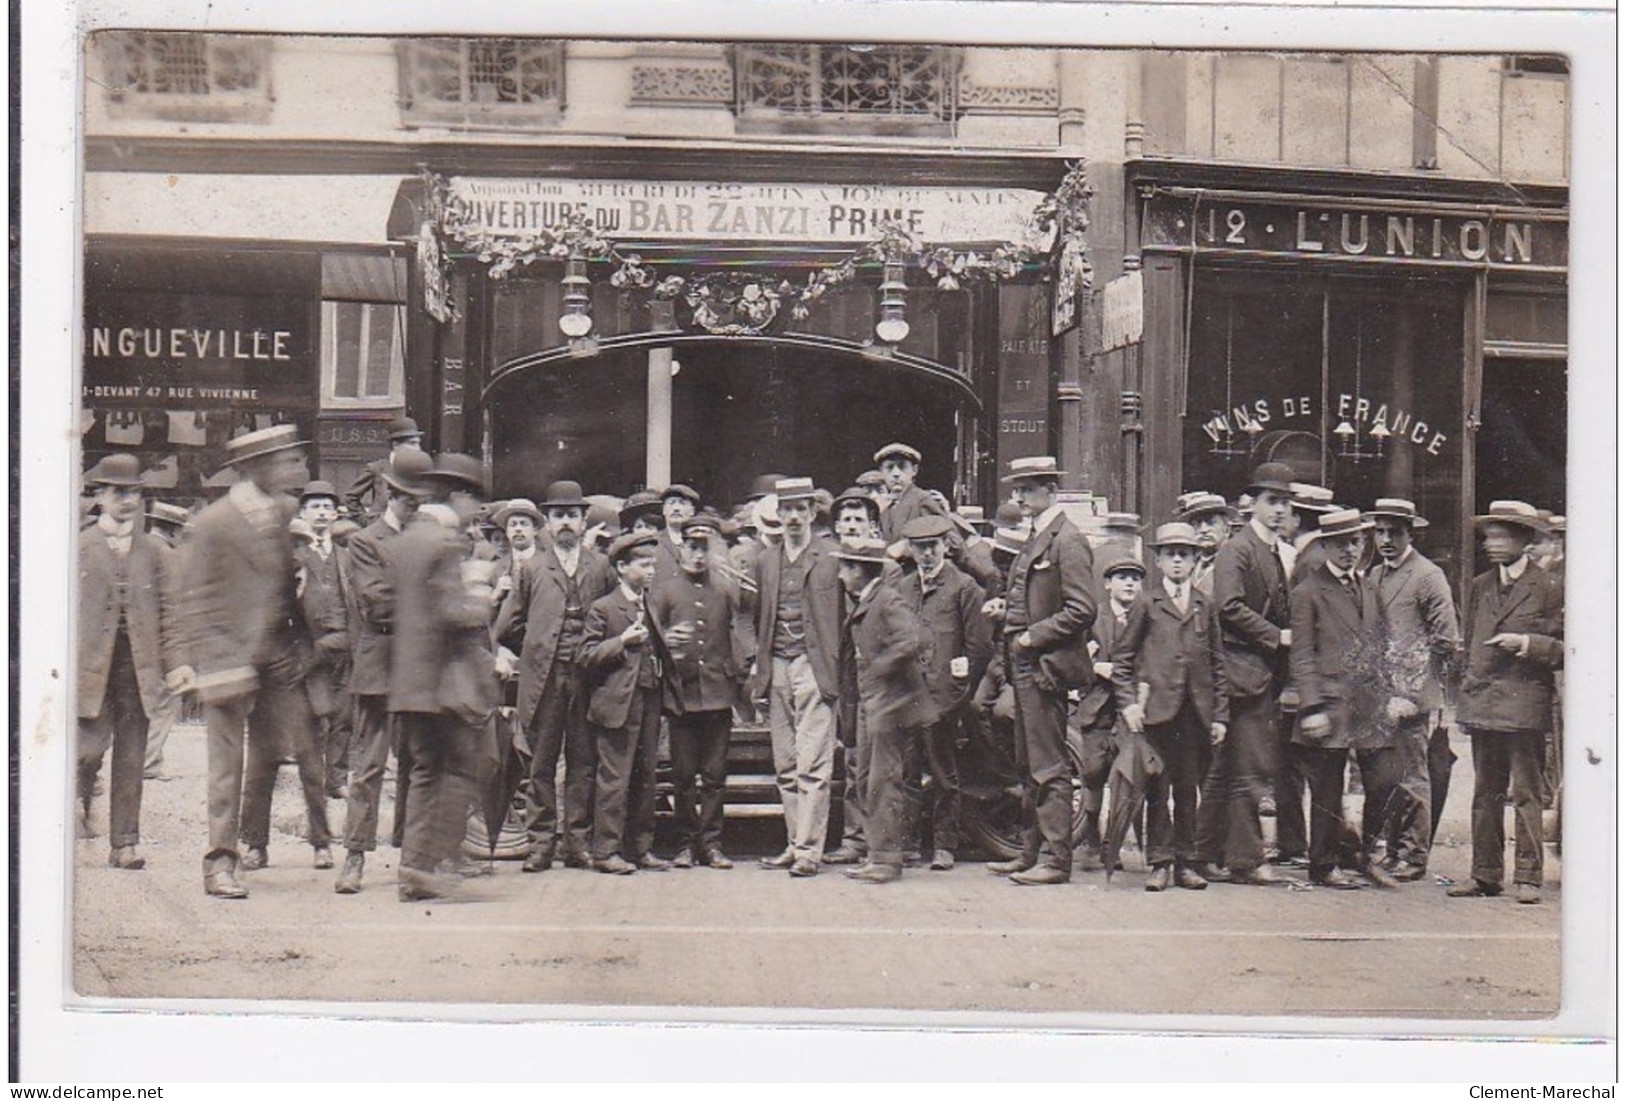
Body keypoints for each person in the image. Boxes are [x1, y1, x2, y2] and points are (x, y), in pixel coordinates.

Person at [182, 425, 314, 900]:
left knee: (274, 754)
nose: (295, 470)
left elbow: (282, 588)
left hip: (273, 660)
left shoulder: (281, 513)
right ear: (256, 468)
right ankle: (220, 862)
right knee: (226, 767)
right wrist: (211, 659)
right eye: (286, 462)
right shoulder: (214, 522)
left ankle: (255, 845)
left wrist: (297, 647)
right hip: (227, 663)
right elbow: (193, 598)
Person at [388, 453, 500, 901]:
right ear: (459, 495)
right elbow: (456, 614)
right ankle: (432, 863)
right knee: (462, 770)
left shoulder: (409, 538)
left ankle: (414, 867)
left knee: (423, 774)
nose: (479, 512)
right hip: (443, 684)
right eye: (477, 501)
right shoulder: (446, 544)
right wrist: (482, 590)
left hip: (409, 683)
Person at [494, 480, 616, 872]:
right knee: (541, 764)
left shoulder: (601, 567)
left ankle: (577, 843)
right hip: (544, 678)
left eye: (573, 516)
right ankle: (540, 845)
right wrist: (536, 645)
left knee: (582, 763)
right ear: (547, 523)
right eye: (559, 516)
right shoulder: (532, 568)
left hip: (587, 677)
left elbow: (613, 617)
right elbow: (509, 624)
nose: (566, 523)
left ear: (584, 522)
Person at [1448, 501, 1563, 905]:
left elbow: (1568, 648)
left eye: (1501, 536)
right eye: (1488, 535)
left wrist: (1528, 644)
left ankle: (1529, 876)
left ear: (1525, 540)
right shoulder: (1480, 586)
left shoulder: (1550, 587)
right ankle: (1485, 874)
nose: (1491, 543)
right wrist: (1468, 697)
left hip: (1525, 704)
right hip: (1484, 704)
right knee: (1485, 792)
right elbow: (1472, 646)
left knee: (1528, 793)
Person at [988, 456, 1096, 886]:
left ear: (1050, 489)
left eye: (1029, 489)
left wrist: (1034, 635)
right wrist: (1007, 612)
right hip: (1023, 665)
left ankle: (1056, 859)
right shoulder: (1039, 537)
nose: (1020, 497)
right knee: (1027, 762)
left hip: (1044, 667)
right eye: (1018, 489)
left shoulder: (1067, 540)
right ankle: (1032, 853)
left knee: (1049, 765)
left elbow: (1083, 609)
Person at [76, 454, 186, 869]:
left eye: (135, 493)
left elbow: (171, 613)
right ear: (100, 496)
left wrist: (177, 664)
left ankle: (125, 844)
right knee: (86, 751)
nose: (128, 501)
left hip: (138, 667)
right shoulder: (79, 547)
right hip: (90, 665)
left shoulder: (156, 552)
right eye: (119, 493)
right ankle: (81, 796)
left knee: (131, 756)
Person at [333, 448, 434, 895]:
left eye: (420, 501)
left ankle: (411, 856)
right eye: (409, 499)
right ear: (391, 495)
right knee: (370, 766)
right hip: (380, 663)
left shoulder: (426, 537)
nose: (415, 507)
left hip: (418, 663)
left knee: (418, 762)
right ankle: (354, 856)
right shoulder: (364, 541)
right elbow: (375, 600)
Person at [1194, 462, 1295, 888]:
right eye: (1271, 501)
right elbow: (1228, 606)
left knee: (1225, 770)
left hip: (1254, 672)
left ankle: (1203, 852)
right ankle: (1246, 859)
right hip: (1241, 671)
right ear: (1252, 503)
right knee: (1250, 768)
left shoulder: (1268, 549)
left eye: (1285, 503)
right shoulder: (1239, 549)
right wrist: (1278, 637)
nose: (1279, 510)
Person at [1113, 524, 1229, 891]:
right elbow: (1123, 661)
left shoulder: (1203, 604)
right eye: (1170, 554)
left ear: (1196, 560)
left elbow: (1218, 663)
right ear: (1159, 560)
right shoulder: (1147, 603)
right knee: (1157, 791)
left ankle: (1185, 861)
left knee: (1187, 789)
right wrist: (1129, 704)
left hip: (1194, 712)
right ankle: (1159, 862)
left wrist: (1220, 714)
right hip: (1157, 712)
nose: (1178, 560)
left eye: (1185, 554)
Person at [1287, 509, 1395, 890]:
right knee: (1327, 787)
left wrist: (1390, 695)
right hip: (1329, 704)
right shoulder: (1308, 592)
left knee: (1384, 779)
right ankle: (1324, 864)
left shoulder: (1369, 587)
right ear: (1326, 547)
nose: (1349, 550)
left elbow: (1382, 644)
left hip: (1368, 705)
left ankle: (1364, 853)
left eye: (1355, 542)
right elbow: (1301, 655)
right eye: (1340, 543)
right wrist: (1312, 707)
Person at [749, 476, 844, 878]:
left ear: (811, 513)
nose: (792, 517)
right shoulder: (766, 561)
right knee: (786, 764)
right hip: (778, 666)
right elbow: (759, 617)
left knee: (813, 764)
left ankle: (809, 851)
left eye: (800, 510)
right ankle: (794, 844)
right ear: (778, 515)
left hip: (814, 664)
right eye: (786, 510)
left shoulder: (831, 557)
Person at [1365, 498, 1461, 880]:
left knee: (1412, 774)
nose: (1386, 539)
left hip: (1411, 697)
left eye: (1395, 532)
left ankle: (1414, 855)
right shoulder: (1373, 575)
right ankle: (1391, 850)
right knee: (1385, 777)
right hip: (1379, 696)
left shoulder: (1427, 575)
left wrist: (1415, 692)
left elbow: (1445, 640)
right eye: (1380, 532)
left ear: (1410, 533)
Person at [649, 512, 750, 870]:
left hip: (718, 694)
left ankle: (712, 844)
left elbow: (742, 625)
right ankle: (686, 843)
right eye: (691, 547)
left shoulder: (724, 589)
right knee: (682, 774)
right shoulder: (664, 591)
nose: (697, 554)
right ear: (681, 550)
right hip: (682, 695)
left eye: (704, 548)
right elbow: (653, 639)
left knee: (714, 775)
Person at [895, 513, 994, 871]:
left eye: (932, 547)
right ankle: (907, 844)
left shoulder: (964, 587)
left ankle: (944, 845)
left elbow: (979, 646)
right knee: (906, 769)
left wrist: (958, 689)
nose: (926, 554)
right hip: (907, 695)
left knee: (942, 771)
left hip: (942, 698)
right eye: (919, 547)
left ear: (946, 547)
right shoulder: (904, 588)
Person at [834, 536, 934, 883]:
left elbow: (916, 638)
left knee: (883, 780)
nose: (841, 575)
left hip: (890, 705)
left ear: (861, 571)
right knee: (866, 778)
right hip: (872, 703)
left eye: (846, 567)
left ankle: (887, 859)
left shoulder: (887, 600)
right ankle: (878, 853)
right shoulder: (869, 599)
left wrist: (881, 666)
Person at [578, 533, 669, 874]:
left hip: (648, 700)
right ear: (621, 567)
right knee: (614, 779)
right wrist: (622, 640)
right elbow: (585, 656)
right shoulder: (603, 608)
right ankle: (606, 852)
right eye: (644, 565)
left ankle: (641, 848)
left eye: (652, 565)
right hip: (617, 705)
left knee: (646, 777)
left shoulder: (650, 603)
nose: (650, 571)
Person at [1074, 555, 1145, 872]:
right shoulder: (1094, 620)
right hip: (1097, 712)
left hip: (1128, 713)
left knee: (1127, 778)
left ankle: (1112, 846)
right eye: (1122, 577)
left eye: (1135, 578)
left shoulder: (1146, 620)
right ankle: (1091, 838)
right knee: (1092, 774)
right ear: (1107, 584)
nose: (1129, 583)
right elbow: (1076, 663)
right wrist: (1097, 668)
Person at [292, 480, 355, 804]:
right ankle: (314, 778)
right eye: (314, 506)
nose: (321, 512)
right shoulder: (297, 555)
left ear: (335, 515)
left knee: (345, 716)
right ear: (303, 513)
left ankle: (338, 778)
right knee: (315, 716)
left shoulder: (347, 556)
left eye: (327, 507)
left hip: (346, 645)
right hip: (311, 647)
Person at [139, 499, 191, 783]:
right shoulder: (167, 554)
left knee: (152, 701)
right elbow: (173, 601)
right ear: (173, 530)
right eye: (181, 531)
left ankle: (149, 759)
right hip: (163, 641)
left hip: (144, 639)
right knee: (165, 702)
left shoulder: (144, 547)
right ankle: (149, 762)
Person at [344, 415, 424, 520]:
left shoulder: (419, 469)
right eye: (412, 443)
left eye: (418, 443)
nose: (417, 449)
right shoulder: (377, 468)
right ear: (396, 445)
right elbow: (351, 497)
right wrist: (366, 523)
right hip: (381, 531)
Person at [874, 443, 946, 548]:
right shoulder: (879, 504)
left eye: (902, 467)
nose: (896, 473)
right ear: (881, 472)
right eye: (889, 467)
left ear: (914, 470)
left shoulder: (923, 500)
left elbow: (943, 540)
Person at [1176, 492, 1236, 598]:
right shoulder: (1188, 565)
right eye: (1197, 524)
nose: (1203, 530)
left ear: (1227, 529)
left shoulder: (1237, 562)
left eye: (1211, 523)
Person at [653, 483, 702, 584]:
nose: (676, 508)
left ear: (692, 511)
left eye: (682, 503)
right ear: (664, 510)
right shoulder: (652, 541)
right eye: (671, 503)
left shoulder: (700, 542)